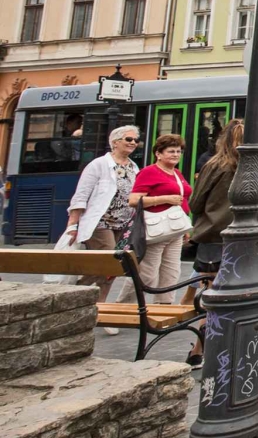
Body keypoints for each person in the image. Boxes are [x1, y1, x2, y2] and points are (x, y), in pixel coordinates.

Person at [186, 119, 258, 365]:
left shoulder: (213, 166)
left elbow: (195, 203)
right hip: (246, 245)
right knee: (241, 298)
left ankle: (202, 349)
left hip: (213, 240)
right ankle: (228, 350)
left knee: (214, 298)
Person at [67, 124, 141, 306]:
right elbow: (81, 196)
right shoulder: (98, 165)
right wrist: (72, 226)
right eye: (129, 139)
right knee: (110, 261)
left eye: (136, 140)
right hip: (100, 223)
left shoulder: (134, 167)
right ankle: (75, 292)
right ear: (115, 142)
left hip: (124, 225)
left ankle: (101, 306)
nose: (133, 143)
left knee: (114, 268)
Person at [129, 133, 192, 302]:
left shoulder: (177, 173)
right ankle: (126, 307)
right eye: (171, 151)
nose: (176, 155)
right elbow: (134, 200)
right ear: (158, 153)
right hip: (156, 229)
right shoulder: (149, 172)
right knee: (148, 273)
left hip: (175, 230)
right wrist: (164, 199)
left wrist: (184, 227)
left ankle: (164, 309)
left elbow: (183, 200)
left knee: (171, 273)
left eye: (178, 151)